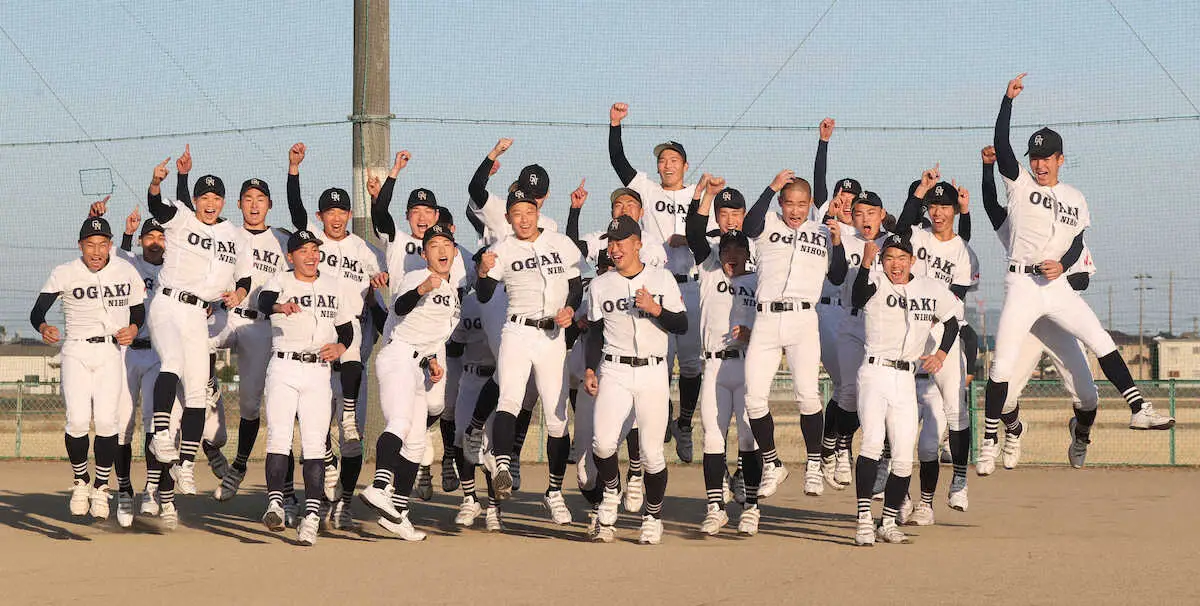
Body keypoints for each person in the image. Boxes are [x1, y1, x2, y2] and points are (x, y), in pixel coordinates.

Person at [978, 74, 1173, 477]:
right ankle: (991, 440)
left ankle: (1138, 409)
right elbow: (1002, 146)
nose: (1040, 162)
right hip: (1023, 286)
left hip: (1057, 288)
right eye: (1035, 156)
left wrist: (1063, 266)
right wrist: (1006, 101)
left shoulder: (1076, 199)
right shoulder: (1018, 185)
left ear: (1061, 159)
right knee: (1002, 367)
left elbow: (1075, 243)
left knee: (1094, 365)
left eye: (1047, 156)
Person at [977, 144, 1101, 470]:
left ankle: (1081, 433)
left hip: (1059, 320)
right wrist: (987, 169)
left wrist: (1056, 281)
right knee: (1002, 392)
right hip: (1028, 317)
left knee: (1088, 396)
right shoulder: (1020, 224)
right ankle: (1015, 430)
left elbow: (1083, 279)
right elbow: (992, 207)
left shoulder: (1069, 229)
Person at [287, 142, 387, 529]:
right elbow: (295, 213)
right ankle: (323, 472)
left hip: (352, 341)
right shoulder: (313, 242)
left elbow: (376, 299)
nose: (335, 218)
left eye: (341, 211)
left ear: (349, 213)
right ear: (320, 216)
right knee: (315, 428)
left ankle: (343, 501)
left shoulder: (363, 249)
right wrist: (294, 170)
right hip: (316, 341)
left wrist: (379, 285)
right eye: (328, 212)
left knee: (353, 434)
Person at [144, 157, 250, 522]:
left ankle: (186, 463)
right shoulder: (182, 218)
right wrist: (157, 182)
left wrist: (238, 291)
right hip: (168, 303)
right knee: (171, 362)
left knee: (196, 394)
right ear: (196, 199)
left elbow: (245, 274)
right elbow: (156, 206)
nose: (209, 203)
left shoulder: (232, 234)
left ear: (222, 202)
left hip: (197, 314)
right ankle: (160, 434)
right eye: (203, 196)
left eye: (215, 198)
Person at [474, 187, 583, 524]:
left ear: (537, 212)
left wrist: (569, 308)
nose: (523, 218)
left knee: (556, 417)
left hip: (552, 335)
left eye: (528, 211)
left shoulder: (560, 243)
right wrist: (481, 272)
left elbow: (576, 286)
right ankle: (503, 463)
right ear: (508, 218)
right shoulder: (501, 249)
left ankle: (554, 492)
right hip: (518, 330)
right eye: (516, 213)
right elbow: (484, 293)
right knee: (509, 398)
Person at [30, 216, 146, 523]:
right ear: (80, 246)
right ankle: (81, 482)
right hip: (77, 350)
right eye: (90, 245)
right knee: (78, 420)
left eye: (102, 244)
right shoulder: (65, 272)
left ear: (110, 245)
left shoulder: (125, 270)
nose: (96, 251)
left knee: (108, 422)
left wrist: (133, 328)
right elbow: (37, 310)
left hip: (110, 351)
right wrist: (43, 326)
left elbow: (138, 309)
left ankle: (101, 486)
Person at [740, 170, 848, 498]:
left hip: (803, 319)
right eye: (789, 203)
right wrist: (771, 186)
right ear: (780, 203)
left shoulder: (822, 230)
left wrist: (839, 242)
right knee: (754, 399)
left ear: (810, 204)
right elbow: (747, 226)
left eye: (802, 204)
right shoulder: (768, 223)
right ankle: (774, 464)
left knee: (807, 396)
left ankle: (814, 464)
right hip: (767, 319)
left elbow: (840, 273)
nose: (795, 210)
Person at [850, 235, 961, 546]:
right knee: (872, 443)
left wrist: (941, 354)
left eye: (901, 258)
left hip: (906, 379)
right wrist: (867, 262)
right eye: (889, 258)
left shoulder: (929, 287)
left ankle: (886, 522)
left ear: (913, 260)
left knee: (902, 457)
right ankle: (862, 521)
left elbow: (952, 321)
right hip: (874, 372)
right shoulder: (874, 279)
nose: (895, 264)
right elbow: (857, 298)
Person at [608, 103, 704, 462]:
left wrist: (691, 239)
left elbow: (710, 233)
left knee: (692, 365)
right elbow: (620, 163)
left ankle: (684, 422)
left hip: (691, 285)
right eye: (662, 160)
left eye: (672, 159)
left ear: (684, 164)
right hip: (656, 287)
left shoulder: (697, 192)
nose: (666, 164)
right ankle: (661, 421)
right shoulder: (647, 189)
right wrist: (615, 125)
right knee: (658, 359)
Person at [585, 215, 688, 544]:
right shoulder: (601, 285)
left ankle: (653, 516)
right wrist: (590, 368)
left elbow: (682, 324)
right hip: (613, 368)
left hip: (653, 370)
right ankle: (612, 490)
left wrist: (656, 309)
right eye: (611, 243)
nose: (615, 249)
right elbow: (594, 333)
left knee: (651, 453)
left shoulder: (662, 279)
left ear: (638, 244)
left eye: (621, 242)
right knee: (602, 443)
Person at [358, 224, 462, 541]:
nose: (441, 250)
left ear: (455, 252)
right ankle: (378, 486)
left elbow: (428, 335)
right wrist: (420, 290)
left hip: (418, 364)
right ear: (424, 252)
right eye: (434, 245)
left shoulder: (452, 292)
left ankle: (399, 514)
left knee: (417, 443)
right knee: (400, 422)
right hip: (398, 358)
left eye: (447, 244)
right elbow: (400, 306)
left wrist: (432, 361)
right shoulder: (418, 277)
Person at [257, 229, 355, 546]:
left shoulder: (332, 285)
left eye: (315, 249)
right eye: (304, 250)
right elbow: (264, 300)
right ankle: (275, 503)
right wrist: (280, 308)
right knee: (279, 437)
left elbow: (346, 328)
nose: (312, 255)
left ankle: (311, 517)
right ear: (291, 256)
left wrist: (341, 348)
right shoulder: (281, 281)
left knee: (314, 445)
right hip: (284, 364)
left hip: (318, 371)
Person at [892, 166, 979, 521]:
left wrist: (942, 343)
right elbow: (898, 232)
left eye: (945, 206)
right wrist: (919, 192)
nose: (938, 212)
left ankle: (959, 478)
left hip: (945, 335)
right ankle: (915, 500)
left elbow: (955, 301)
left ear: (955, 211)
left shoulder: (964, 252)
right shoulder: (917, 237)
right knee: (901, 418)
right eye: (933, 206)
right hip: (909, 337)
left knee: (956, 408)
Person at [204, 175, 291, 503]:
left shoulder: (281, 240)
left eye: (261, 199)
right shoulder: (224, 232)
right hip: (226, 314)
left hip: (261, 325)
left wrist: (292, 171)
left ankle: (239, 466)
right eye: (248, 198)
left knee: (252, 406)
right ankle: (208, 393)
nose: (254, 205)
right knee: (195, 345)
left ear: (269, 204)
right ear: (238, 204)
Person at [685, 178, 763, 535]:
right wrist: (705, 195)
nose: (731, 256)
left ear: (747, 253)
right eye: (727, 250)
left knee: (748, 438)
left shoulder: (758, 281)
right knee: (714, 438)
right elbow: (694, 232)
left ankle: (751, 507)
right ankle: (715, 506)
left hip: (748, 365)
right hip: (714, 365)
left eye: (738, 251)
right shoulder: (710, 267)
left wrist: (752, 334)